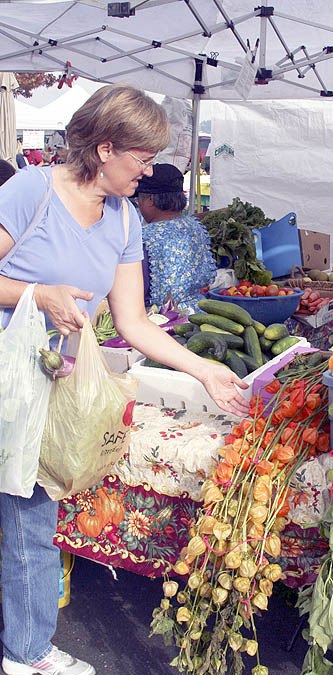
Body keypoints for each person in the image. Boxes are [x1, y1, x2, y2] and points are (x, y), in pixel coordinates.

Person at [0, 84, 248, 675]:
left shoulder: (124, 219)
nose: (150, 171)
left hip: (52, 382)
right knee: (26, 515)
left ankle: (23, 646)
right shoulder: (30, 191)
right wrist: (36, 294)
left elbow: (134, 323)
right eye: (141, 158)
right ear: (105, 148)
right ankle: (26, 654)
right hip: (9, 379)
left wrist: (203, 368)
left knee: (27, 511)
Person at [136, 163, 216, 311]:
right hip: (201, 311)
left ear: (150, 200)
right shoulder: (195, 226)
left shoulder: (144, 238)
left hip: (165, 319)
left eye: (139, 200)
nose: (138, 205)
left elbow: (140, 289)